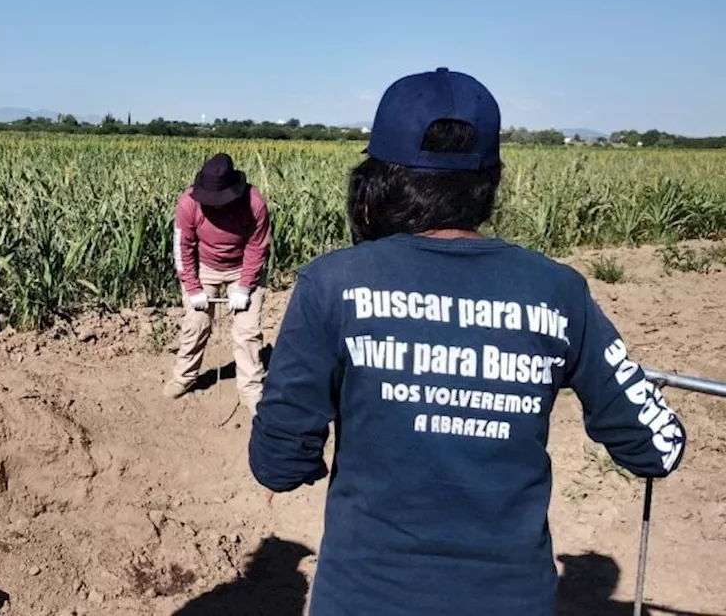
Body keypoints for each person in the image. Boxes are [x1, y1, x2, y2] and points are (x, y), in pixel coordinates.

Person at [248, 68, 687, 616]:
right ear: (490, 180)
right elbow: (658, 447)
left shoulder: (333, 285)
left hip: (365, 596)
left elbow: (278, 462)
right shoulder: (558, 292)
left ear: (378, 178)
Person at [165, 153, 271, 417]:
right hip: (205, 269)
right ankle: (184, 376)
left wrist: (245, 286)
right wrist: (193, 288)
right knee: (196, 323)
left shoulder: (255, 203)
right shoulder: (188, 204)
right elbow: (183, 248)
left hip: (243, 268)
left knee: (247, 332)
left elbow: (258, 247)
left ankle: (250, 389)